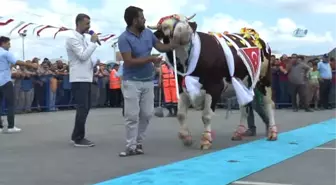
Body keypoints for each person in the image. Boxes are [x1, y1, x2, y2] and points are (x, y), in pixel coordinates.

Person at [118, 6, 177, 157]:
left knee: (147, 114)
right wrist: (150, 59)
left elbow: (161, 47)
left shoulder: (148, 34)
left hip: (148, 81)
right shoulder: (124, 38)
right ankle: (130, 146)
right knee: (132, 115)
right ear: (134, 20)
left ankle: (138, 142)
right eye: (142, 17)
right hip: (131, 81)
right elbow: (129, 61)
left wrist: (175, 43)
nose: (145, 19)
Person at [65, 13, 99, 147]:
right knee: (82, 107)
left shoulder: (84, 38)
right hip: (79, 77)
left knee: (86, 107)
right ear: (78, 23)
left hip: (87, 77)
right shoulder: (71, 38)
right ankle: (78, 138)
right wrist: (93, 43)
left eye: (89, 24)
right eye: (86, 24)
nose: (89, 27)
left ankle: (76, 135)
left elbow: (89, 57)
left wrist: (95, 62)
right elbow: (83, 56)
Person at [0, 36, 37, 133]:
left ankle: (0, 127)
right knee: (11, 103)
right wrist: (31, 65)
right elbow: (17, 61)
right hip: (5, 81)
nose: (10, 45)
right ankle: (11, 126)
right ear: (3, 43)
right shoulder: (5, 53)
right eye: (8, 43)